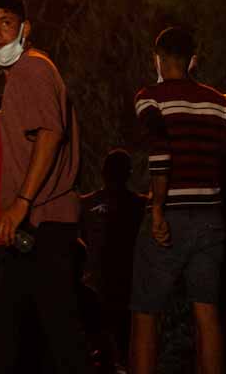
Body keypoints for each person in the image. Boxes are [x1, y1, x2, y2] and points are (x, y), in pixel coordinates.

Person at [0, 0, 93, 374]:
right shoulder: (24, 76)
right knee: (26, 331)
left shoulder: (33, 68)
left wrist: (20, 203)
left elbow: (50, 133)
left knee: (37, 333)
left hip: (44, 223)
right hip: (37, 226)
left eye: (5, 24)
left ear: (25, 28)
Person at [129, 26, 226, 374]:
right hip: (211, 219)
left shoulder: (149, 97)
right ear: (192, 61)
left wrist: (157, 208)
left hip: (169, 214)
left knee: (146, 313)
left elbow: (159, 149)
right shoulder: (220, 103)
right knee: (207, 312)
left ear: (159, 58)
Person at [79, 148, 147, 373]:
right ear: (128, 173)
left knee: (102, 346)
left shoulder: (85, 204)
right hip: (124, 285)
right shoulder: (141, 205)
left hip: (98, 286)